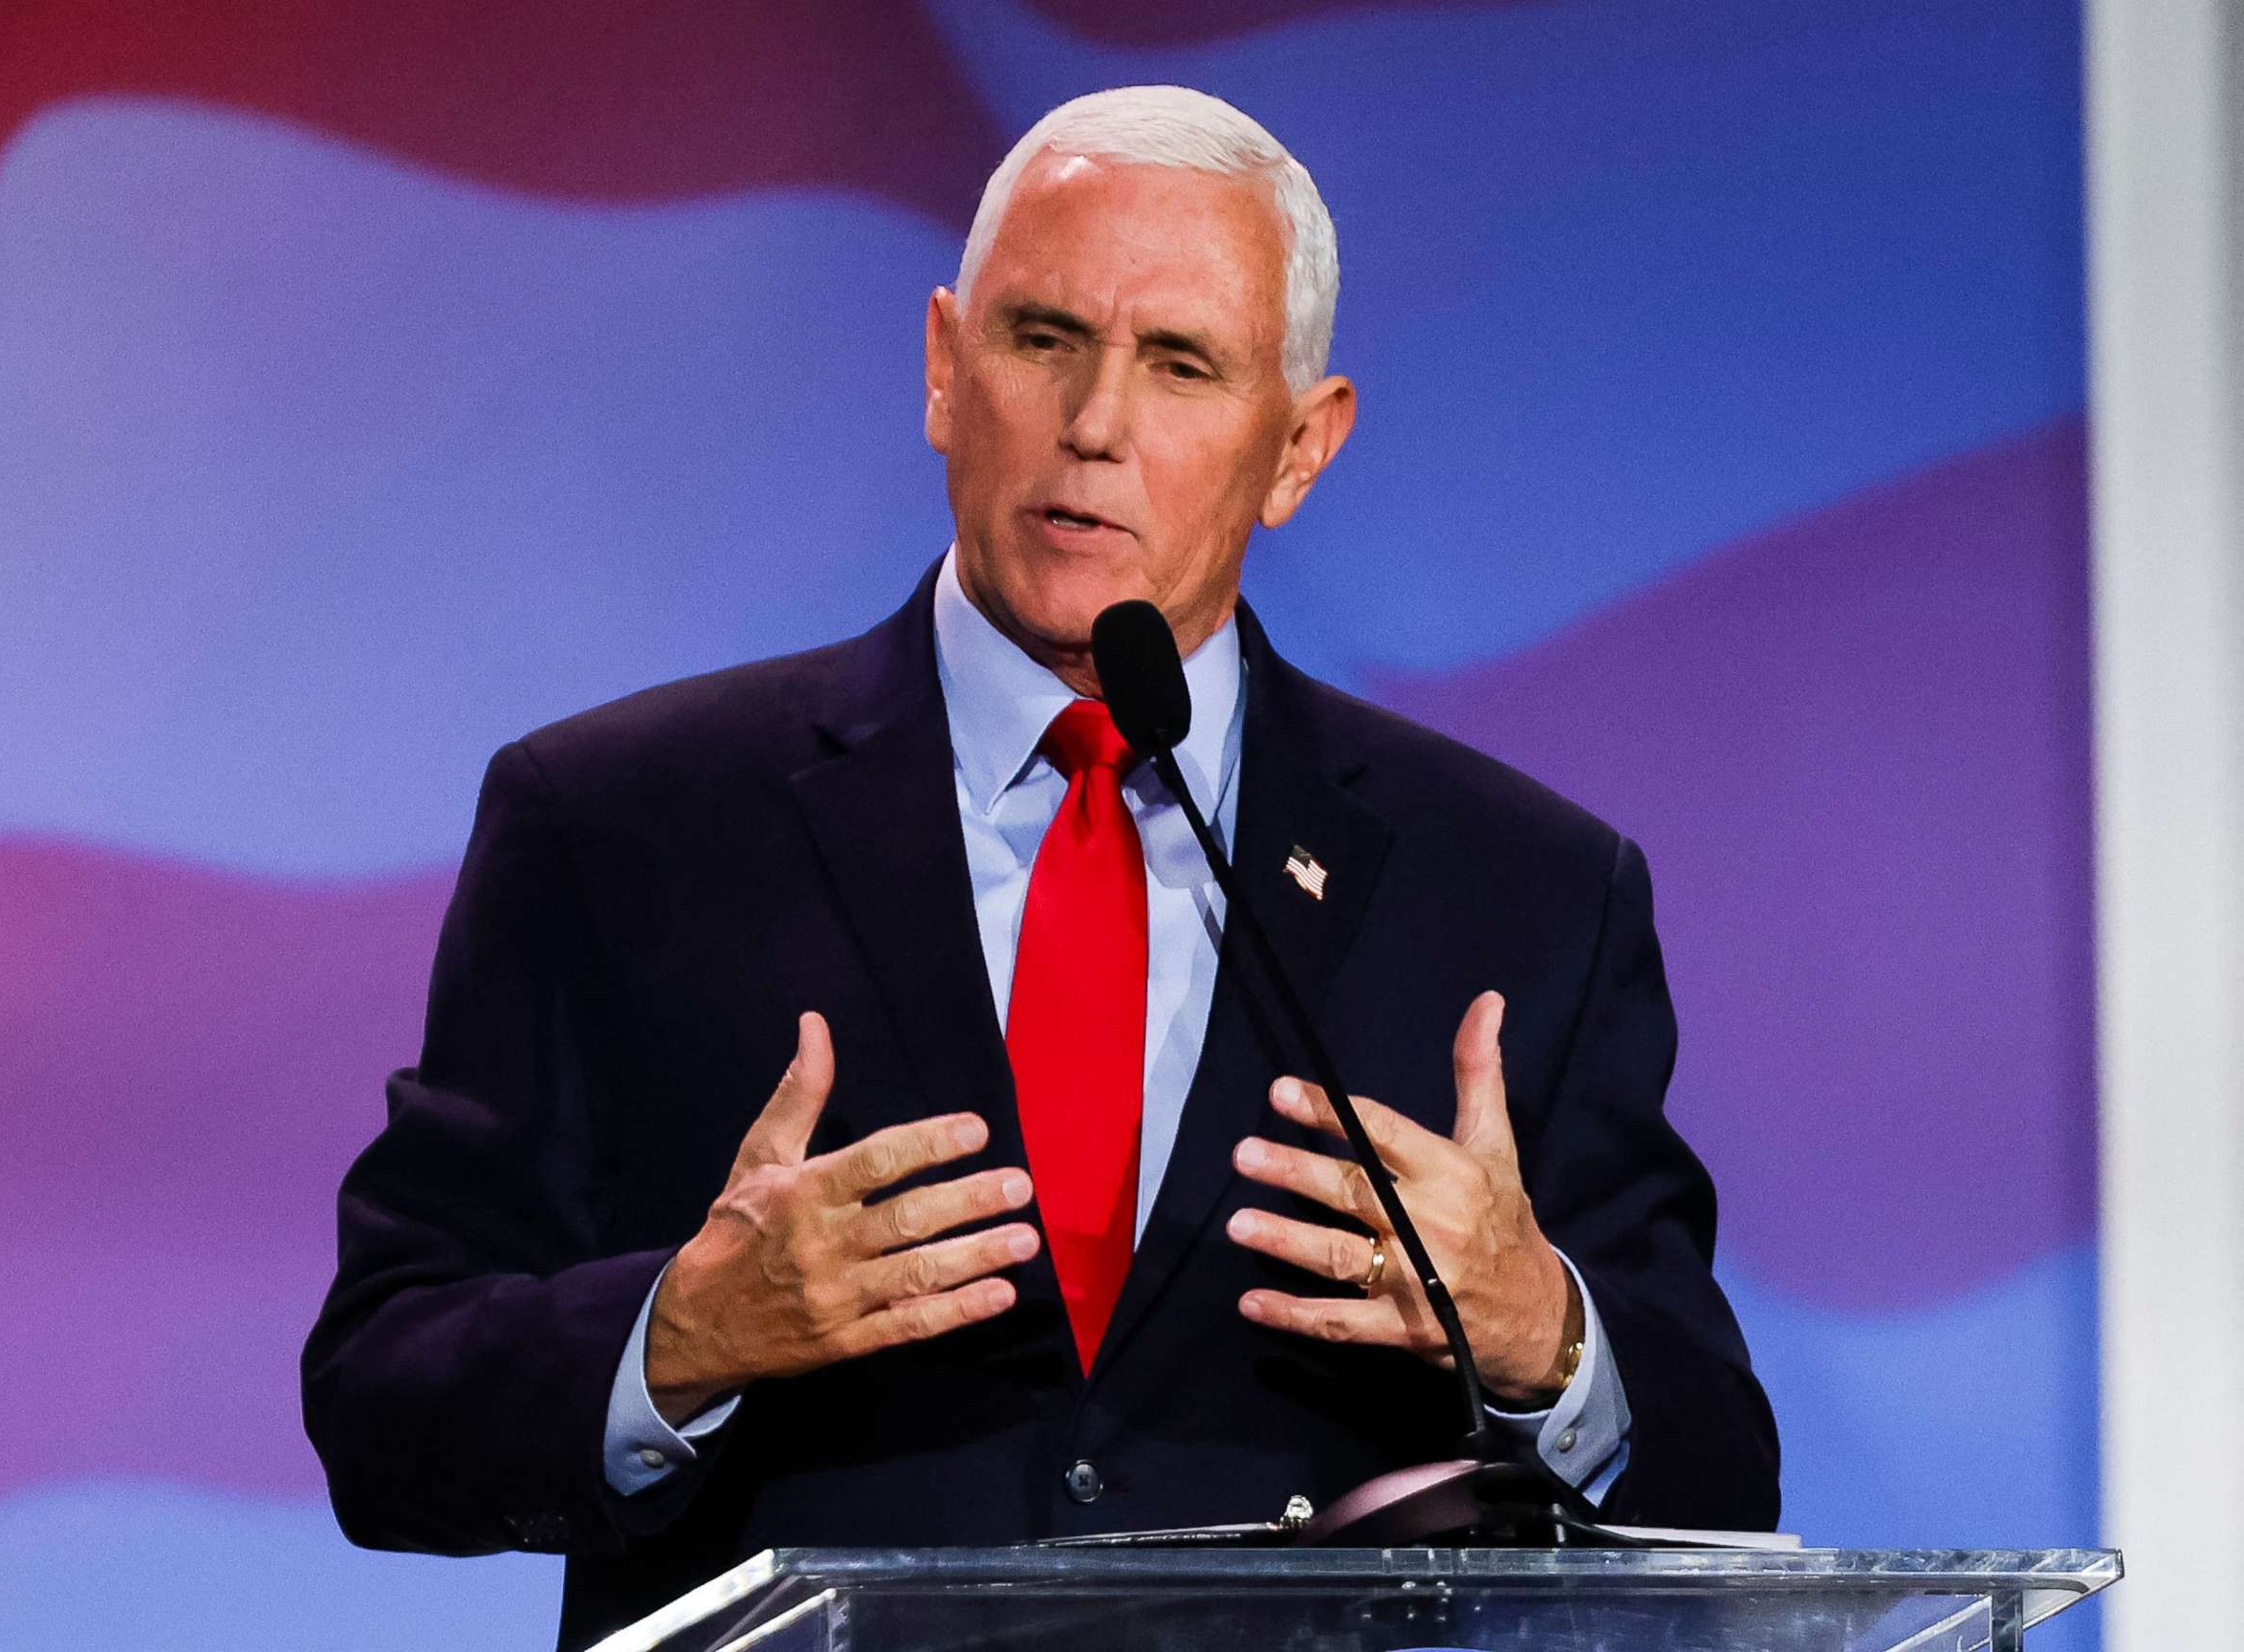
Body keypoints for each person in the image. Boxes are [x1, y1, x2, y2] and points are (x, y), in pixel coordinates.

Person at [302, 85, 1778, 1649]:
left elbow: (1718, 1478)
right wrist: (677, 1341)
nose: (1094, 424)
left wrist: (1547, 1342)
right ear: (945, 368)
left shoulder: (1519, 893)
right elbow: (384, 1402)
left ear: (1298, 447)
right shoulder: (618, 828)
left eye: (1181, 364)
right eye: (1043, 338)